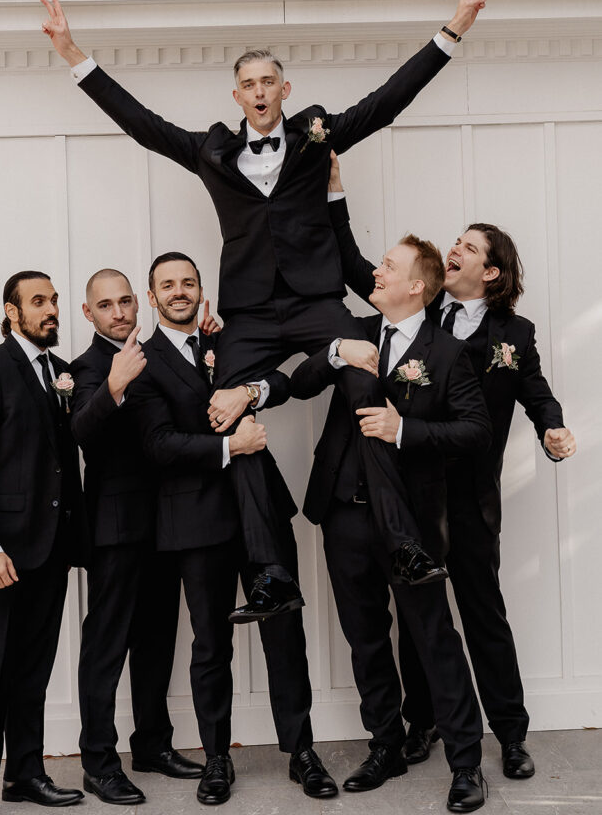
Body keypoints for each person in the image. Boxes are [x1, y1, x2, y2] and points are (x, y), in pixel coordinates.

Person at [39, 0, 489, 611]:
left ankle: (402, 543)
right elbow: (141, 123)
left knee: (366, 376)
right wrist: (73, 55)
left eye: (268, 82)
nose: (258, 91)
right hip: (248, 312)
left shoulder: (317, 135)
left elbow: (388, 100)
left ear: (284, 89)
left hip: (314, 303)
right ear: (236, 94)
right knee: (225, 409)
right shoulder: (210, 152)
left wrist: (454, 29)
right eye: (247, 84)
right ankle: (270, 573)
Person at [327, 155, 576, 780]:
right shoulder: (418, 315)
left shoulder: (512, 331)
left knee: (482, 609)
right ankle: (422, 722)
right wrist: (334, 196)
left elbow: (536, 390)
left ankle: (511, 734)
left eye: (468, 247)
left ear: (490, 272)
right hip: (412, 494)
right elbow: (362, 270)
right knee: (418, 618)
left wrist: (552, 426)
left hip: (469, 499)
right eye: (455, 244)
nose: (455, 249)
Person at [126, 252, 338, 803]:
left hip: (261, 510)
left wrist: (247, 390)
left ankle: (302, 752)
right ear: (152, 298)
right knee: (210, 645)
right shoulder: (140, 362)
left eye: (188, 282)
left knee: (285, 635)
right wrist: (229, 445)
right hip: (196, 523)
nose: (179, 291)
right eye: (167, 285)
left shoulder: (230, 339)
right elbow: (158, 445)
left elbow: (277, 377)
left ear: (201, 291)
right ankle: (217, 758)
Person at [291, 235, 491, 813]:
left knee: (433, 637)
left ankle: (466, 764)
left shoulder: (448, 352)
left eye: (388, 266)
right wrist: (334, 355)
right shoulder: (354, 332)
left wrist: (404, 430)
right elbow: (302, 381)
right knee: (366, 641)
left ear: (416, 287)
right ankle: (386, 747)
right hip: (343, 515)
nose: (376, 272)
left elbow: (475, 431)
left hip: (411, 523)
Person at [0, 272, 87, 815]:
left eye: (53, 300)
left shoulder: (62, 372)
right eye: (38, 302)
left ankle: (26, 775)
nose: (50, 309)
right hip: (1, 552)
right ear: (12, 312)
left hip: (50, 547)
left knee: (34, 667)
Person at [70, 268, 204, 805]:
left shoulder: (154, 353)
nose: (120, 312)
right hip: (114, 530)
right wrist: (113, 385)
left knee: (156, 642)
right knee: (105, 649)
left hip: (164, 525)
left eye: (126, 301)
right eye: (107, 305)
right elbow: (80, 430)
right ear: (89, 314)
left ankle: (152, 744)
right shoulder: (85, 369)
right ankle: (99, 763)